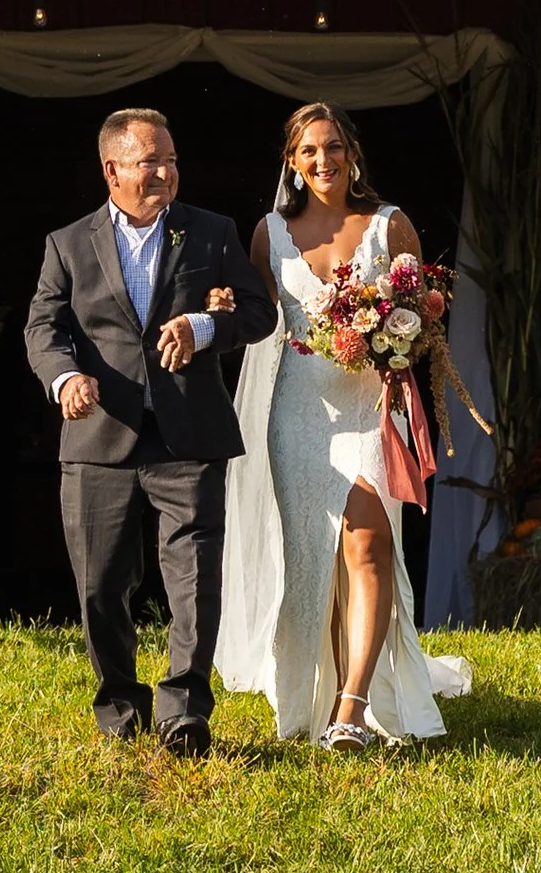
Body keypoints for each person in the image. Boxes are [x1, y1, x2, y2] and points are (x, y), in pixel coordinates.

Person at [217, 99, 471, 749]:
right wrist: (219, 304)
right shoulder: (270, 234)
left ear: (353, 154)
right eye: (309, 151)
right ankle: (328, 694)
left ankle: (352, 709)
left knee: (366, 541)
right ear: (292, 163)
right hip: (298, 416)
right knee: (318, 561)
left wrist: (401, 338)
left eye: (334, 147)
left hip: (367, 407)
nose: (323, 160)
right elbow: (255, 322)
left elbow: (425, 320)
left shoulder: (389, 226)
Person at [23, 105, 275, 754]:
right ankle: (120, 708)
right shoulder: (68, 244)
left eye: (171, 159)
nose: (164, 170)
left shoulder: (212, 233)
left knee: (193, 576)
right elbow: (42, 331)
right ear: (113, 170)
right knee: (102, 583)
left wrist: (205, 328)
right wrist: (63, 380)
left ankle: (185, 713)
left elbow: (258, 313)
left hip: (190, 436)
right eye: (148, 160)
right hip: (98, 437)